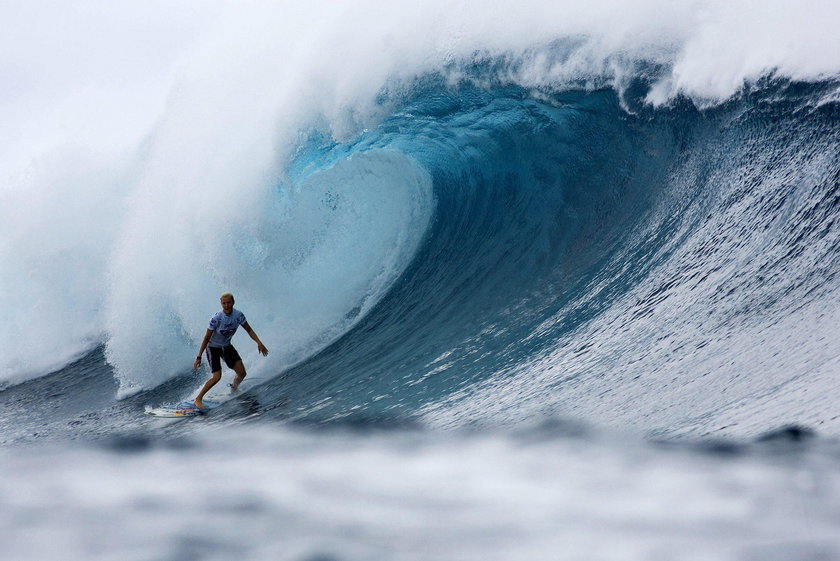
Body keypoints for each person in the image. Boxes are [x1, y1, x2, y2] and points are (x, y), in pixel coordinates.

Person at [193, 292, 268, 409]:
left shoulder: (238, 315)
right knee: (217, 377)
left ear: (233, 302)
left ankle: (234, 389)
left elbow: (249, 330)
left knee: (242, 373)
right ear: (221, 303)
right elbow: (206, 337)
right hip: (213, 347)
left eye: (229, 303)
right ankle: (198, 399)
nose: (226, 306)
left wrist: (259, 342)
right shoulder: (216, 318)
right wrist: (199, 357)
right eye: (224, 303)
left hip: (226, 346)